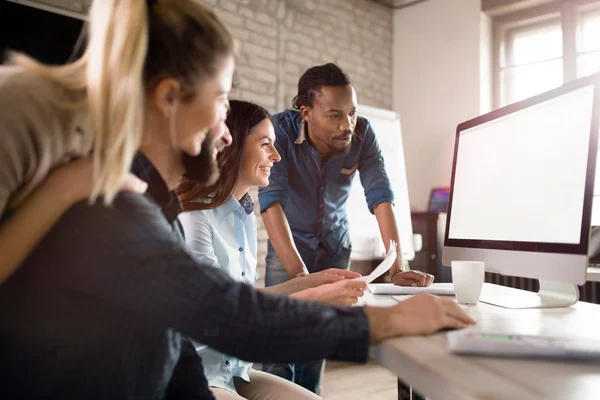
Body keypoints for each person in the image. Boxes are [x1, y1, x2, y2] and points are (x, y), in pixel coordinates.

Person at [0, 1, 475, 398]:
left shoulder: (131, 196)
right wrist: (381, 324)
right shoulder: (101, 196)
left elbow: (175, 340)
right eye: (222, 99)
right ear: (168, 98)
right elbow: (225, 311)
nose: (228, 131)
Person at [258, 63, 435, 393]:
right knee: (279, 346)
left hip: (335, 245)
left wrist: (397, 268)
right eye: (335, 115)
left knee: (317, 342)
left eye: (351, 113)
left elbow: (381, 197)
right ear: (306, 112)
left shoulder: (362, 134)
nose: (347, 125)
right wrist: (300, 277)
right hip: (288, 248)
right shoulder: (279, 130)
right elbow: (271, 202)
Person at [177, 100, 368, 399]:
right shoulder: (194, 218)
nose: (277, 157)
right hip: (196, 376)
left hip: (235, 370)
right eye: (265, 144)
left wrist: (312, 281)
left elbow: (244, 296)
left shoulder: (244, 216)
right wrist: (316, 296)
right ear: (232, 145)